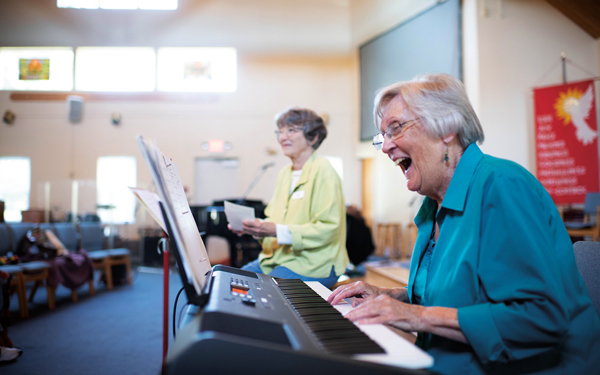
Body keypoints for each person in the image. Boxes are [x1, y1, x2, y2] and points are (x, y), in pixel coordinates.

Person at [327, 73, 600, 374]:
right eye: (383, 136)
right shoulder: (433, 204)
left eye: (397, 128)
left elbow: (539, 318)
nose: (385, 146)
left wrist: (415, 315)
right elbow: (463, 291)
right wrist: (393, 296)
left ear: (447, 128)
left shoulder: (502, 185)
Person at [231, 107, 348, 289]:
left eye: (291, 130)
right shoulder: (285, 174)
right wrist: (254, 228)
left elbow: (328, 229)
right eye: (280, 131)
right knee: (231, 282)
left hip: (314, 265)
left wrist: (275, 230)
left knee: (259, 291)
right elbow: (275, 221)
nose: (282, 137)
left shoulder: (324, 170)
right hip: (278, 259)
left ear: (313, 137)